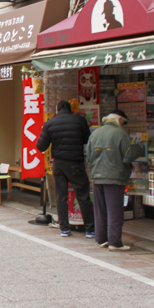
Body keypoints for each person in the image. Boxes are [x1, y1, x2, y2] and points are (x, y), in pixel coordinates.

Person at [86, 109, 144, 251]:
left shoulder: (96, 133)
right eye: (124, 123)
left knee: (100, 210)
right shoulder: (121, 134)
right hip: (114, 177)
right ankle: (115, 242)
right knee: (114, 210)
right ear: (120, 120)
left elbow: (89, 155)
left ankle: (101, 239)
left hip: (97, 176)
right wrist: (139, 147)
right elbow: (128, 155)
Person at [36, 100, 95, 238]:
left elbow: (41, 146)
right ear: (71, 110)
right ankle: (90, 229)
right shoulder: (80, 120)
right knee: (83, 195)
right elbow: (87, 139)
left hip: (59, 164)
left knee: (61, 196)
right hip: (76, 163)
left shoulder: (50, 123)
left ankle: (64, 228)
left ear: (57, 110)